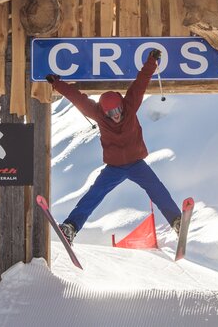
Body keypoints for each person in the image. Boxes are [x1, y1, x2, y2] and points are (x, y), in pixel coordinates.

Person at [45, 49, 182, 244]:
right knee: (94, 194)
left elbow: (140, 82)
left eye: (117, 110)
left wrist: (152, 61)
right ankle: (71, 228)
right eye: (110, 113)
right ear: (104, 112)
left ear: (121, 105)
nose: (115, 115)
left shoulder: (130, 105)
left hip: (136, 164)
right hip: (114, 168)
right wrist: (57, 84)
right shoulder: (98, 114)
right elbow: (77, 98)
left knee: (156, 189)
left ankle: (176, 221)